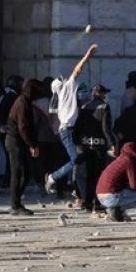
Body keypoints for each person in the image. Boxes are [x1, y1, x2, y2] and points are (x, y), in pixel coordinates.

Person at [45, 45, 98, 195]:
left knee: (80, 159)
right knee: (76, 159)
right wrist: (87, 55)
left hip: (69, 129)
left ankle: (76, 188)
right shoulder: (67, 88)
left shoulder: (61, 95)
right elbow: (77, 70)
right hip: (68, 130)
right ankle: (53, 177)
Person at [72, 84, 115, 212]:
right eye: (104, 93)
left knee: (87, 175)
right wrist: (112, 142)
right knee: (99, 175)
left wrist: (77, 141)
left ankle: (87, 202)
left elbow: (77, 127)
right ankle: (98, 202)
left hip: (85, 146)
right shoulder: (104, 107)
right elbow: (105, 128)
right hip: (99, 146)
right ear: (100, 94)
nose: (105, 96)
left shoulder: (85, 107)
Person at [6, 79, 44, 215]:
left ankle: (17, 203)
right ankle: (15, 205)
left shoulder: (25, 101)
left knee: (25, 173)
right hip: (15, 141)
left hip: (20, 142)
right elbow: (23, 127)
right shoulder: (22, 103)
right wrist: (32, 144)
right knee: (18, 172)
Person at [97, 142, 136, 221]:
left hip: (100, 196)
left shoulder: (119, 159)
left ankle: (117, 211)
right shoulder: (129, 161)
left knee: (123, 190)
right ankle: (115, 210)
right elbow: (134, 185)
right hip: (110, 197)